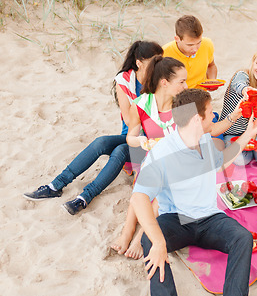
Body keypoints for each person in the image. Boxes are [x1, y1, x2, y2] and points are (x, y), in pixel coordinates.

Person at [131, 88, 257, 296]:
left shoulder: (204, 141)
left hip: (209, 217)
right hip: (177, 220)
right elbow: (139, 198)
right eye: (210, 111)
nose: (214, 114)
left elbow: (222, 158)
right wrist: (158, 241)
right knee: (148, 240)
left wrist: (249, 133)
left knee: (242, 237)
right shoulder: (163, 153)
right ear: (196, 119)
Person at [111, 57, 241, 259]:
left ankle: (140, 237)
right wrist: (144, 142)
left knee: (163, 191)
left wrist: (235, 116)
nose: (186, 85)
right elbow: (130, 138)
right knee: (144, 186)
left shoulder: (183, 106)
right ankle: (127, 233)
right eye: (181, 81)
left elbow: (211, 129)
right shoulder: (141, 105)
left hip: (178, 162)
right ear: (165, 82)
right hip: (153, 155)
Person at [23, 41, 163, 214]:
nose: (158, 65)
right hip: (133, 133)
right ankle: (56, 185)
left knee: (119, 150)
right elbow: (128, 119)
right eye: (154, 61)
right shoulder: (125, 80)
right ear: (139, 63)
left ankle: (84, 197)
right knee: (101, 142)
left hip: (152, 137)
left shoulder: (160, 80)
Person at [220, 48, 257, 166]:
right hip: (232, 133)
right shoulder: (242, 75)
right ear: (253, 62)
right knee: (241, 160)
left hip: (255, 132)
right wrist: (246, 90)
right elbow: (239, 84)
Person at [162, 15, 217, 89]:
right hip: (177, 96)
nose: (195, 49)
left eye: (198, 43)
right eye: (190, 45)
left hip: (200, 94)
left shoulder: (207, 44)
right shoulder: (164, 52)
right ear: (177, 39)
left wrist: (212, 81)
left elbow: (211, 65)